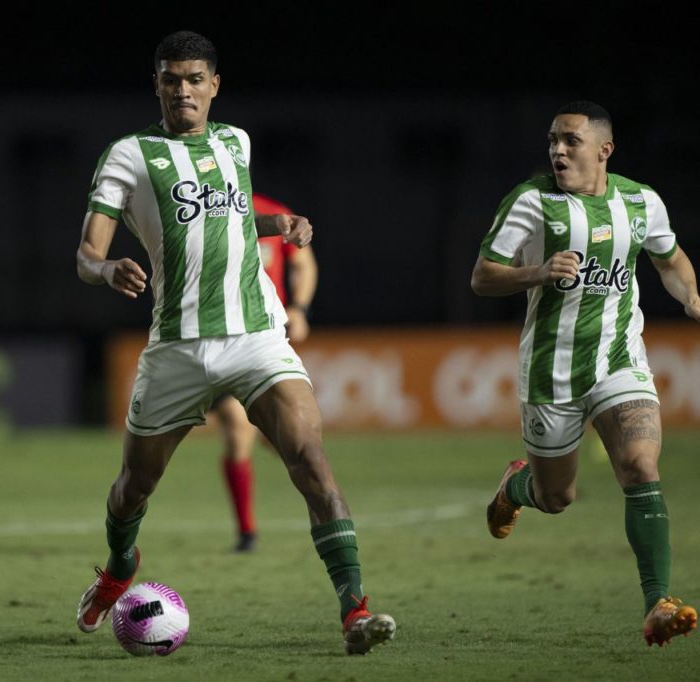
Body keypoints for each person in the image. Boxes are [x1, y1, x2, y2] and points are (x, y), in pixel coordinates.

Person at [74, 31, 395, 654]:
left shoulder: (234, 142)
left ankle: (354, 609)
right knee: (133, 488)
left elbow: (229, 209)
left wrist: (278, 223)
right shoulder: (129, 155)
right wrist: (107, 268)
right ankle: (118, 567)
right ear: (157, 85)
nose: (183, 90)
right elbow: (87, 251)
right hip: (177, 348)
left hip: (255, 337)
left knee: (310, 459)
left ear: (214, 86)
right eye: (171, 79)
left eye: (195, 79)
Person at [472, 101, 700, 647]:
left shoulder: (642, 202)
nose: (557, 150)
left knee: (641, 467)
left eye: (571, 141)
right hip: (552, 369)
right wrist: (537, 271)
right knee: (557, 497)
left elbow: (670, 260)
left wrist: (691, 293)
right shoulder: (530, 203)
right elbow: (482, 277)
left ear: (605, 149)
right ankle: (517, 486)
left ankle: (656, 604)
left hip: (620, 358)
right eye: (553, 140)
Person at [213, 192, 317, 552]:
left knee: (280, 433)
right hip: (216, 337)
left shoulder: (275, 213)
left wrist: (299, 308)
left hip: (262, 337)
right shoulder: (206, 207)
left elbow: (304, 265)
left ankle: (313, 482)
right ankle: (247, 532)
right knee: (237, 423)